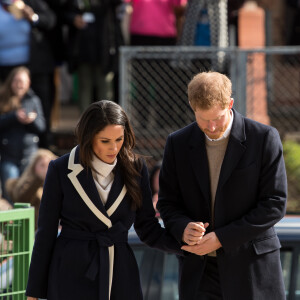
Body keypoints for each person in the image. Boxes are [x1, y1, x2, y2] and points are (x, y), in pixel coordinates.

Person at [25, 100, 182, 300]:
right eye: (105, 141)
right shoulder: (60, 169)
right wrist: (33, 293)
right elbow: (46, 232)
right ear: (89, 138)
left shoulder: (136, 168)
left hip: (121, 274)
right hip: (71, 273)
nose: (114, 148)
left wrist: (185, 244)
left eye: (119, 139)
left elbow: (147, 228)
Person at [157, 71, 287, 300]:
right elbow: (168, 203)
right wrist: (182, 227)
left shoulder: (264, 137)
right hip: (199, 273)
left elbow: (274, 204)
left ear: (231, 104)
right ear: (192, 107)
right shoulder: (177, 143)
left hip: (252, 269)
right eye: (204, 119)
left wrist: (221, 239)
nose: (212, 126)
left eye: (217, 117)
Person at [0, 66, 46, 201]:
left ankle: (31, 222)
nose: (19, 85)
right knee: (10, 194)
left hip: (30, 155)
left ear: (28, 83)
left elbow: (42, 127)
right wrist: (14, 117)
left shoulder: (33, 100)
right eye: (16, 81)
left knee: (29, 195)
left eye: (23, 81)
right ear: (10, 82)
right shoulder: (3, 99)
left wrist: (31, 120)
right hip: (8, 156)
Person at [5, 148, 57, 229]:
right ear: (34, 167)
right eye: (42, 165)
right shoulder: (19, 184)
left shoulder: (56, 185)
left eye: (48, 165)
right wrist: (38, 179)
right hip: (30, 232)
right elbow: (22, 199)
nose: (46, 169)